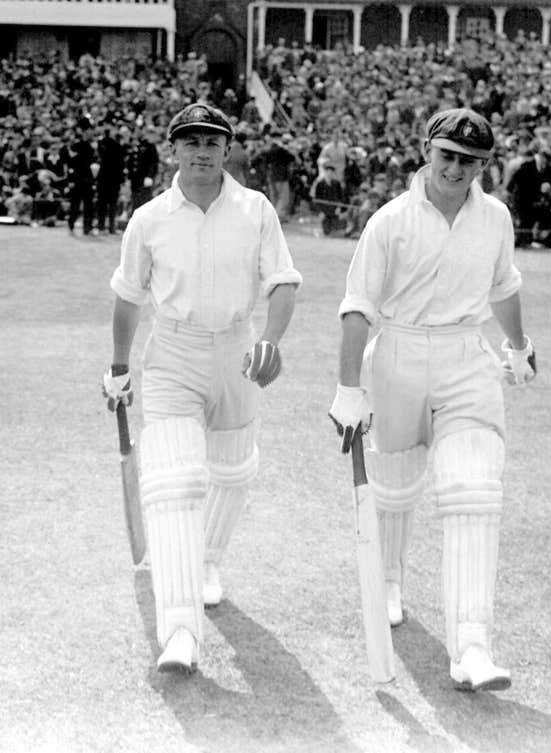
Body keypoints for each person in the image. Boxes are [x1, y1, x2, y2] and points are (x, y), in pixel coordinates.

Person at [329, 108, 536, 693]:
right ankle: (389, 579)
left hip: (465, 359)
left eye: (469, 161)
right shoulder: (390, 221)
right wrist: (349, 389)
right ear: (427, 151)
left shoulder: (495, 218)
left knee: (473, 490)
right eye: (447, 155)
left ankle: (471, 646)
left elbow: (504, 288)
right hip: (395, 354)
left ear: (483, 166)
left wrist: (518, 348)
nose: (456, 168)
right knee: (394, 491)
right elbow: (357, 307)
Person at [102, 103, 302, 674]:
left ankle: (207, 559)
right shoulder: (150, 218)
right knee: (173, 485)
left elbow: (283, 281)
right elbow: (128, 296)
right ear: (175, 149)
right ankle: (181, 630)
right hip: (173, 354)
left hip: (237, 349)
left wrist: (272, 339)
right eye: (190, 141)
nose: (201, 151)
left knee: (233, 473)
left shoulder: (255, 209)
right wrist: (119, 367)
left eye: (211, 141)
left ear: (227, 148)